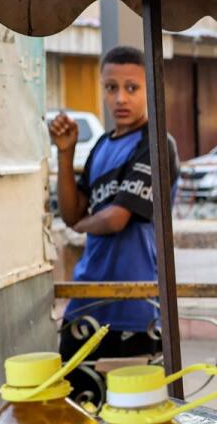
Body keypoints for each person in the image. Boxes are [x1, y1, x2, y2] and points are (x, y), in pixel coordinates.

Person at [49, 45, 177, 403]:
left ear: (151, 89)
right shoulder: (103, 145)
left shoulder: (157, 144)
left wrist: (84, 223)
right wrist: (65, 152)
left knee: (132, 419)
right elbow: (73, 213)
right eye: (111, 87)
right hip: (88, 297)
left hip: (136, 303)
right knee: (79, 410)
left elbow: (116, 219)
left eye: (132, 88)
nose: (120, 97)